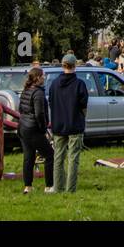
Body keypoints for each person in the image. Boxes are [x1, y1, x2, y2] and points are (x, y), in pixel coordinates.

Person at [48, 53, 88, 193]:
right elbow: (84, 106)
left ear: (62, 65)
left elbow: (51, 103)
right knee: (73, 158)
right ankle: (70, 189)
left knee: (58, 158)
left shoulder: (54, 84)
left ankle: (57, 187)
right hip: (75, 124)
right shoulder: (80, 84)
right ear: (75, 66)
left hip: (58, 124)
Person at [18, 66, 55, 194]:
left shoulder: (25, 90)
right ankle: (49, 186)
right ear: (38, 78)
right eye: (43, 76)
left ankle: (28, 186)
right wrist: (43, 128)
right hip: (33, 128)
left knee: (29, 157)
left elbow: (20, 109)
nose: (44, 78)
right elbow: (39, 113)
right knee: (50, 155)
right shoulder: (38, 93)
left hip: (23, 127)